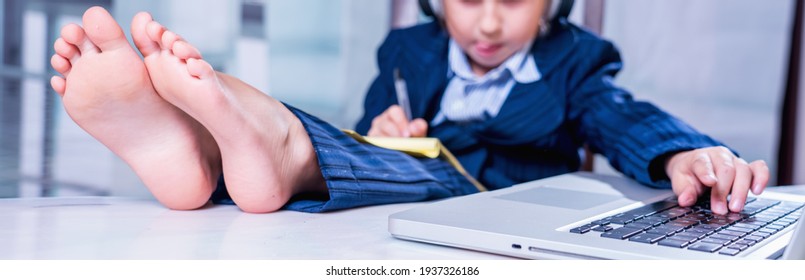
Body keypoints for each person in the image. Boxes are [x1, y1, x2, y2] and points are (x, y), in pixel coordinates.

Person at [50, 2, 766, 215]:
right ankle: (205, 149)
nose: (487, 24)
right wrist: (385, 129)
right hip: (398, 169)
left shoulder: (573, 62)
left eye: (512, 0)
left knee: (411, 173)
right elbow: (371, 123)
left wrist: (679, 153)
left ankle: (255, 131)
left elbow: (620, 115)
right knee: (379, 155)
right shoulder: (407, 51)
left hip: (490, 201)